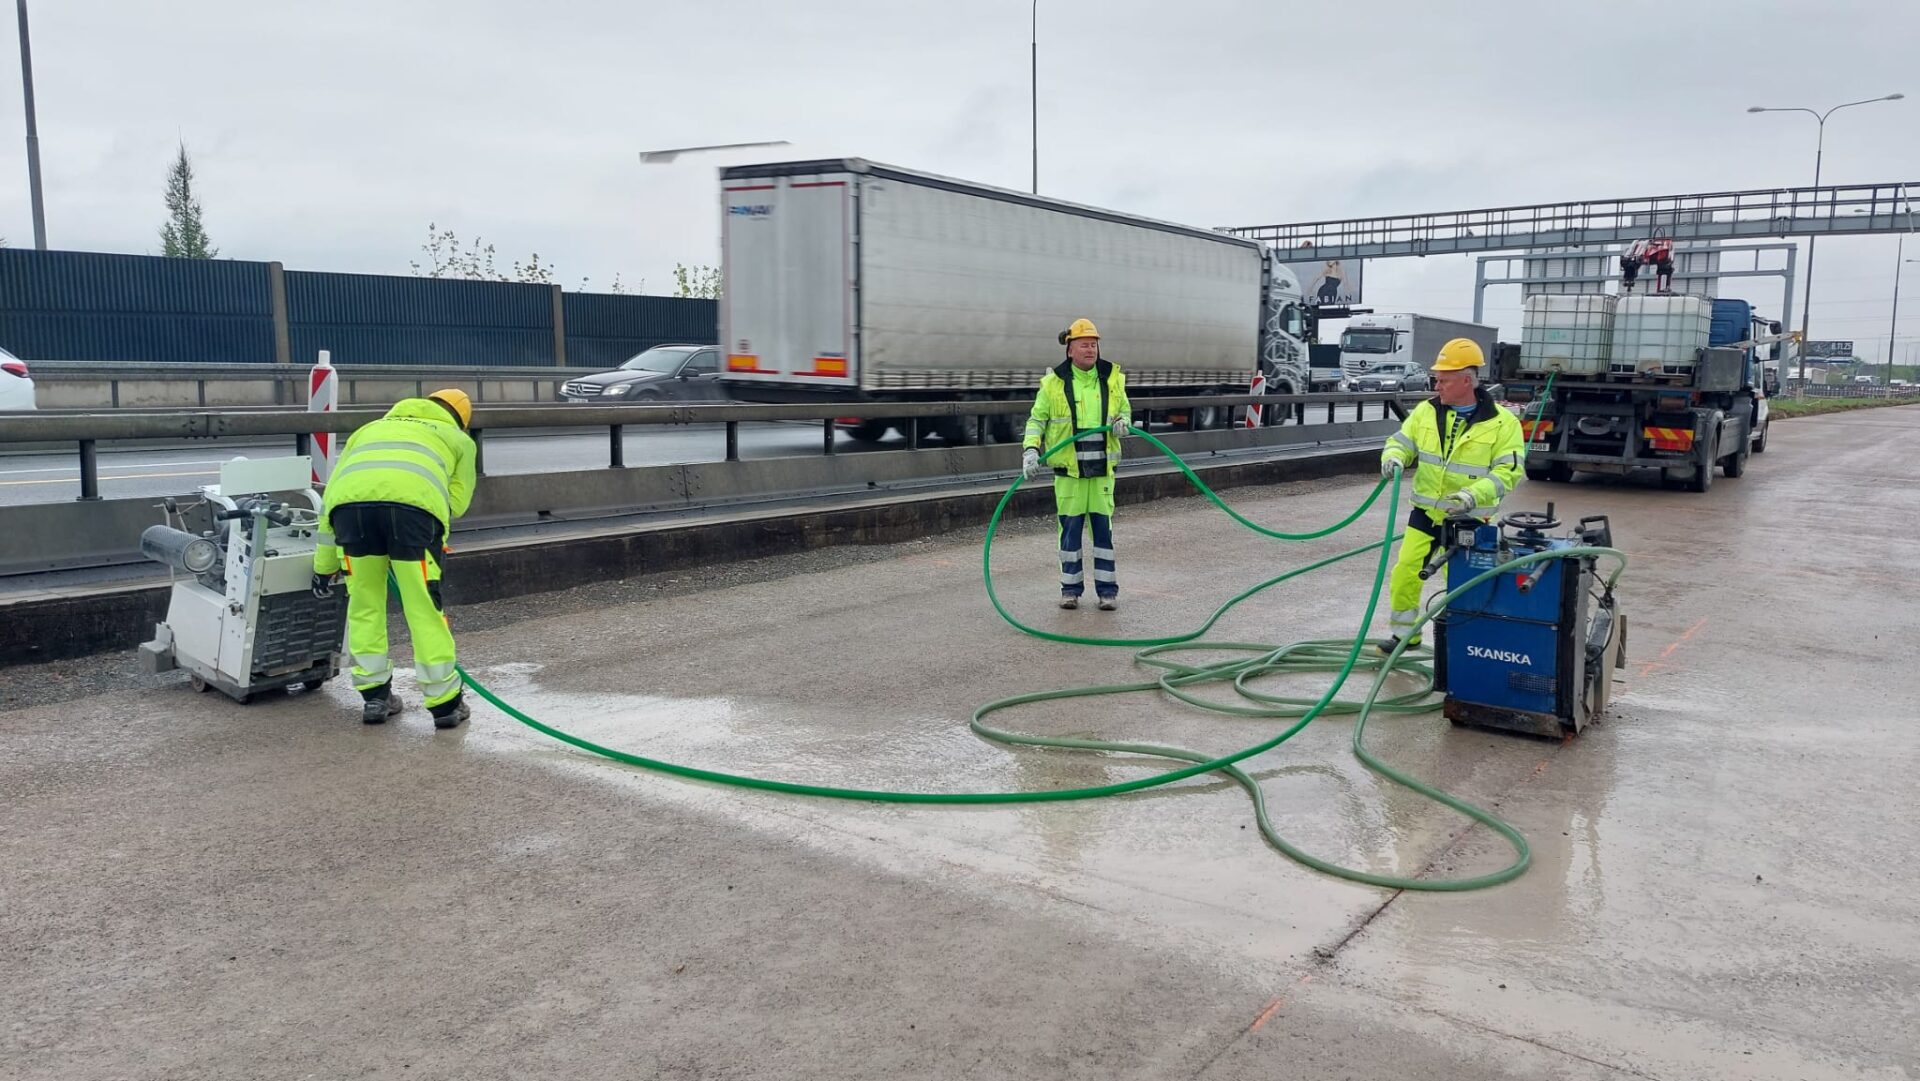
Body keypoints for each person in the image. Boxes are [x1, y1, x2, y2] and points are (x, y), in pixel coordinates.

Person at [311, 389, 478, 727]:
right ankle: (445, 705)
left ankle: (375, 698)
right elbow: (457, 504)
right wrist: (422, 508)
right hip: (413, 517)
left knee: (364, 605)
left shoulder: (368, 430)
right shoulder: (459, 440)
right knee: (423, 608)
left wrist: (324, 567)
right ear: (460, 420)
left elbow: (331, 500)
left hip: (350, 514)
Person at [1376, 339, 1525, 654]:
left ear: (1466, 381)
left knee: (1462, 583)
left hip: (1470, 518)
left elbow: (1508, 472)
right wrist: (1394, 457)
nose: (1437, 385)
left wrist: (1473, 494)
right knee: (1405, 572)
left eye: (1444, 380)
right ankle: (1405, 636)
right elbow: (1401, 441)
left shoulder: (1503, 423)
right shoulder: (1426, 412)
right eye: (1437, 379)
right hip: (1426, 513)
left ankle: (1463, 644)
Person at [1022, 318, 1131, 610]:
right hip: (1070, 475)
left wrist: (1123, 422)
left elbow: (1124, 411)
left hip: (1101, 474)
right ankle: (1070, 591)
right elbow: (1037, 420)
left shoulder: (1112, 379)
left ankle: (1107, 592)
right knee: (1070, 535)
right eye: (1084, 345)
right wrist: (1031, 449)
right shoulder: (1053, 384)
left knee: (1103, 534)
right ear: (1070, 350)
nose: (1090, 350)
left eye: (1094, 344)